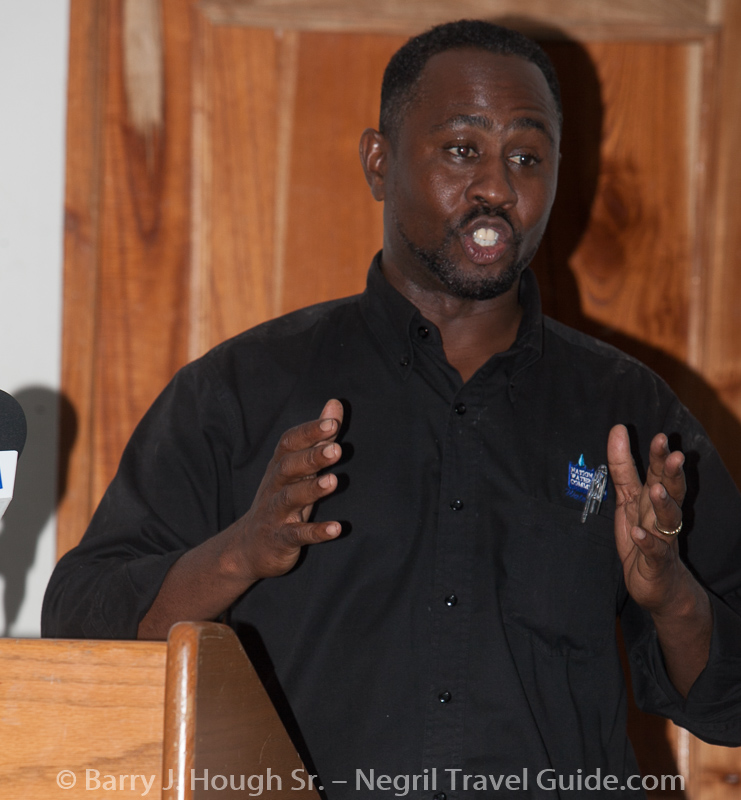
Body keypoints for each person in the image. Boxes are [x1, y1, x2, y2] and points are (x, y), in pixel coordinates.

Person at [43, 20, 741, 798]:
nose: (495, 188)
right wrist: (239, 552)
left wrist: (671, 596)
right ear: (379, 162)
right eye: (461, 149)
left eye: (525, 158)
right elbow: (80, 626)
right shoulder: (239, 391)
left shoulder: (629, 416)